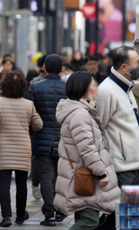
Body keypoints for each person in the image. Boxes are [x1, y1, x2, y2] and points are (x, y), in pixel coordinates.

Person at [54, 71, 120, 230]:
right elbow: (87, 148)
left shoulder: (83, 111)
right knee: (90, 221)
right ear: (83, 90)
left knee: (84, 216)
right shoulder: (80, 114)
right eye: (93, 85)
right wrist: (101, 172)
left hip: (82, 173)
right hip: (86, 175)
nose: (97, 88)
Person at [0, 70, 43, 227]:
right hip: (23, 147)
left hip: (3, 147)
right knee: (21, 183)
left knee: (4, 183)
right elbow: (38, 125)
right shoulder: (29, 104)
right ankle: (20, 215)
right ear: (23, 87)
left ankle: (6, 216)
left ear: (5, 86)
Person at [96, 46, 139, 230]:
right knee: (127, 217)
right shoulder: (107, 90)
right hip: (123, 166)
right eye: (136, 63)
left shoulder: (127, 87)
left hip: (134, 162)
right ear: (124, 67)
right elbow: (98, 128)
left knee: (130, 215)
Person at [27, 54, 67, 227]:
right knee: (62, 177)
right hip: (64, 139)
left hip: (42, 138)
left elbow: (30, 115)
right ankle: (61, 212)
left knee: (46, 177)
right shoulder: (69, 88)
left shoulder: (35, 88)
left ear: (43, 68)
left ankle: (49, 214)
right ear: (61, 69)